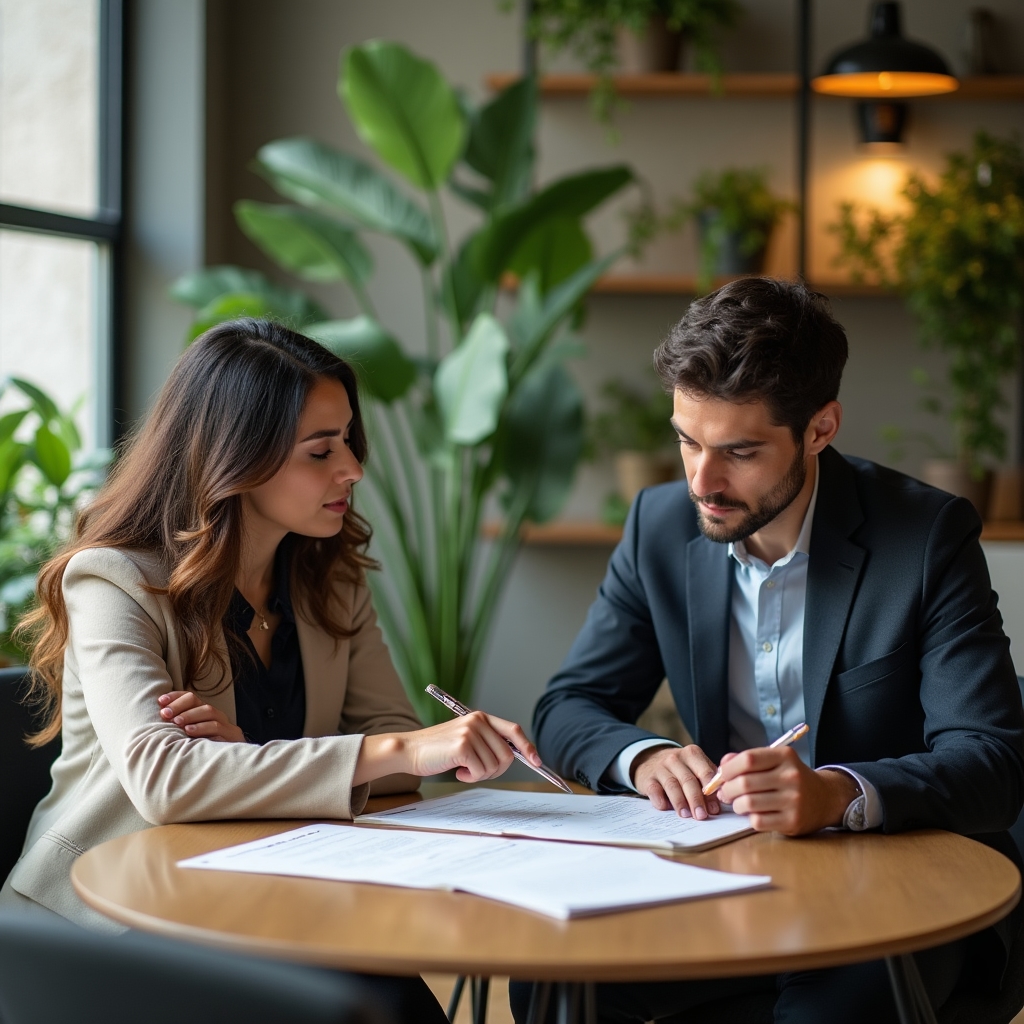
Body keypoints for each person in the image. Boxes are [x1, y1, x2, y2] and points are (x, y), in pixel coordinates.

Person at [0, 318, 542, 1024]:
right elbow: (167, 781)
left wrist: (249, 763)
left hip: (261, 892)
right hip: (104, 923)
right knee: (367, 1000)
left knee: (388, 997)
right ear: (236, 457)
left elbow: (392, 751)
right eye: (321, 451)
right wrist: (400, 749)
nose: (351, 468)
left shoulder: (329, 578)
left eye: (348, 440)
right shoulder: (114, 581)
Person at [514, 278, 1024, 1023]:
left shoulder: (924, 538)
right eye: (686, 440)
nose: (701, 480)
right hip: (725, 876)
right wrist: (644, 756)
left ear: (820, 428)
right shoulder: (660, 525)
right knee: (555, 980)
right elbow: (568, 708)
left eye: (740, 452)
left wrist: (838, 793)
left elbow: (993, 761)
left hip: (894, 886)